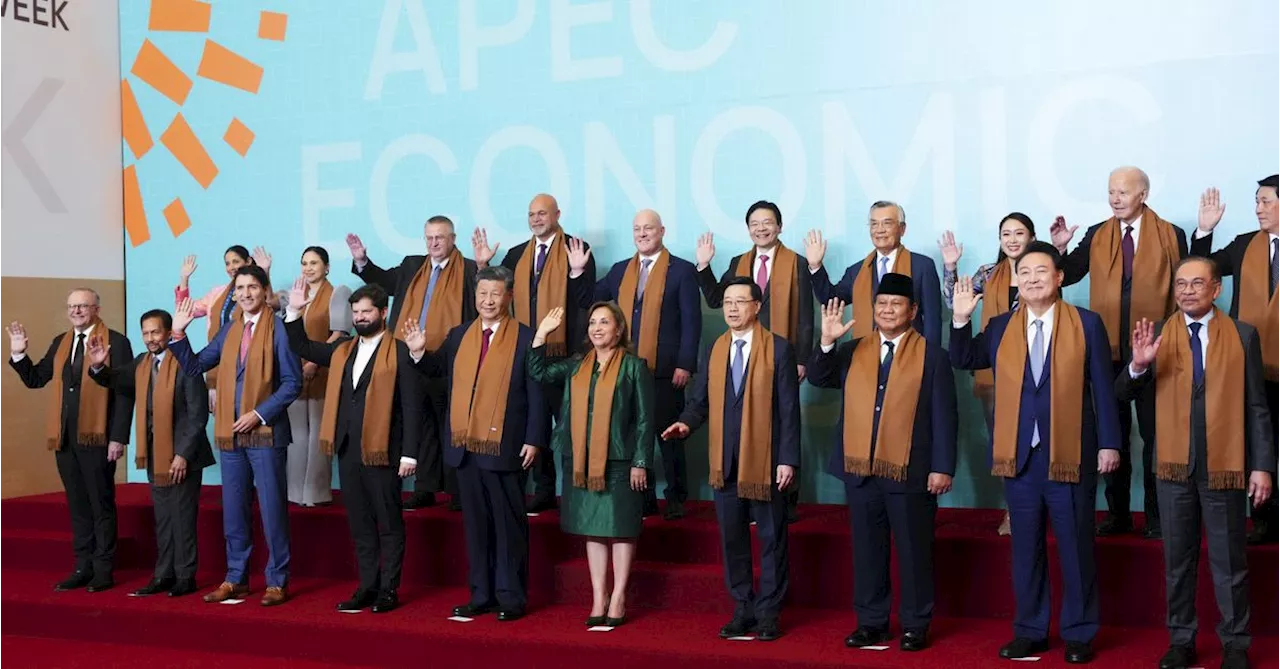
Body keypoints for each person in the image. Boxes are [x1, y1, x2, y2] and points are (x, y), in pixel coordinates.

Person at [950, 241, 1122, 664]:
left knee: (1076, 547)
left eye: (1040, 271)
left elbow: (1103, 386)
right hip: (1019, 456)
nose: (1031, 279)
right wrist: (958, 320)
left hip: (1070, 453)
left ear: (1059, 277)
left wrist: (1110, 442)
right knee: (1025, 548)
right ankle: (1030, 630)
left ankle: (1080, 632)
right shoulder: (999, 327)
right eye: (1023, 273)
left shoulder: (1087, 324)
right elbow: (963, 357)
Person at [1117, 258, 1273, 669]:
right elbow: (1122, 393)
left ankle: (1235, 644)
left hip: (1225, 466)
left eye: (1197, 283)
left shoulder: (1243, 336)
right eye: (1181, 284)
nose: (1187, 291)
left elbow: (1257, 406)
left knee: (1229, 563)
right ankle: (1181, 640)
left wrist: (1262, 466)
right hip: (1172, 469)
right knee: (1177, 562)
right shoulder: (1157, 336)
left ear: (1217, 289)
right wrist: (1138, 365)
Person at [807, 274, 957, 652]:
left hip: (911, 469)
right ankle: (872, 622)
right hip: (860, 470)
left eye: (896, 304)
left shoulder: (932, 355)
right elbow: (820, 378)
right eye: (881, 303)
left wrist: (943, 466)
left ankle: (915, 624)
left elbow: (944, 414)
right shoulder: (854, 349)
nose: (888, 310)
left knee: (913, 550)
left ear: (914, 311)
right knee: (868, 550)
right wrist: (827, 341)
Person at [1049, 167, 1189, 538]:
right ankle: (1117, 514)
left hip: (1156, 349)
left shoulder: (1171, 234)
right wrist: (1060, 249)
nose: (1114, 198)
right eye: (1110, 192)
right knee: (1114, 433)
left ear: (1143, 194)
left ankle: (1157, 518)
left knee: (1157, 437)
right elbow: (1069, 274)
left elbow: (1187, 284)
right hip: (1107, 351)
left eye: (1122, 192)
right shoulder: (1098, 234)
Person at [662, 276, 801, 642]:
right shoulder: (716, 348)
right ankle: (744, 608)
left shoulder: (779, 349)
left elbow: (789, 410)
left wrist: (787, 459)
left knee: (772, 540)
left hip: (766, 462)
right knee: (733, 541)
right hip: (725, 462)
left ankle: (769, 612)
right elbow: (700, 402)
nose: (733, 308)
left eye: (741, 301)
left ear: (757, 306)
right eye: (727, 302)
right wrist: (685, 424)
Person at [406, 265, 546, 622]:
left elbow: (537, 392)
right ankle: (481, 595)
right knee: (476, 527)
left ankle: (511, 597)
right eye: (482, 294)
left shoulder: (526, 338)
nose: (488, 301)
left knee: (508, 526)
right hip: (465, 449)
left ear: (509, 297)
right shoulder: (459, 335)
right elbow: (438, 371)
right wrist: (420, 353)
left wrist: (533, 438)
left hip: (507, 445)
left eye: (495, 294)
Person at [283, 281, 422, 614]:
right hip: (348, 450)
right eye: (356, 312)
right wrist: (293, 312)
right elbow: (302, 345)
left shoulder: (400, 351)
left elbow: (414, 406)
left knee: (388, 523)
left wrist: (410, 452)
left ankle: (389, 589)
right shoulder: (342, 349)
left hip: (384, 451)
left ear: (383, 313)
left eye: (366, 312)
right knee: (359, 523)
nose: (360, 317)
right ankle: (368, 585)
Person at [169, 264, 303, 606]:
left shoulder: (280, 329)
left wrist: (258, 414)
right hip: (231, 435)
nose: (245, 293)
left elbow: (293, 383)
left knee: (272, 510)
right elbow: (197, 366)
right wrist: (180, 335)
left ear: (264, 289)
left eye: (252, 287)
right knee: (234, 510)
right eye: (240, 288)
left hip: (266, 434)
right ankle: (236, 578)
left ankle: (277, 580)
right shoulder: (230, 330)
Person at [529, 303, 654, 627]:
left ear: (619, 329)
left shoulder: (633, 366)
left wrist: (640, 462)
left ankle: (619, 596)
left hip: (619, 462)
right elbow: (538, 373)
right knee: (593, 531)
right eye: (592, 322)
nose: (597, 328)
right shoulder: (576, 365)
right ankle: (599, 596)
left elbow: (644, 420)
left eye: (605, 322)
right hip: (581, 462)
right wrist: (542, 334)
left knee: (621, 530)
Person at [472, 194, 595, 513]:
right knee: (533, 423)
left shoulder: (576, 248)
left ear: (557, 214)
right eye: (531, 214)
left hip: (563, 355)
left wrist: (578, 273)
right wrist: (484, 266)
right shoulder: (516, 254)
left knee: (566, 426)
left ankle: (571, 491)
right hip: (524, 352)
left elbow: (587, 303)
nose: (537, 219)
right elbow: (495, 295)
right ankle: (542, 489)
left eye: (542, 213)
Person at [7, 289, 133, 593]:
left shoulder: (116, 341)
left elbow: (125, 392)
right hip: (65, 438)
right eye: (72, 306)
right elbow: (36, 379)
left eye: (83, 305)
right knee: (77, 504)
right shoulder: (61, 343)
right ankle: (82, 566)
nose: (76, 311)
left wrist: (118, 437)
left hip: (98, 436)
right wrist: (19, 354)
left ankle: (103, 569)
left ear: (97, 309)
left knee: (100, 503)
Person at [349, 216, 478, 511]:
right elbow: (383, 282)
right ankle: (425, 487)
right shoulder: (412, 266)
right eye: (429, 238)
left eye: (440, 238)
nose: (433, 243)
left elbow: (485, 297)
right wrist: (362, 261)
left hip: (450, 359)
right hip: (410, 358)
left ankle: (458, 490)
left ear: (453, 239)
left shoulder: (469, 269)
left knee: (453, 424)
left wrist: (483, 267)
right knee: (420, 424)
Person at [695, 201, 812, 521]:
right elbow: (717, 299)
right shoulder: (738, 262)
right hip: (743, 354)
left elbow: (804, 313)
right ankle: (746, 497)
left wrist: (802, 357)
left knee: (783, 421)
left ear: (780, 226)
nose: (761, 228)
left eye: (768, 222)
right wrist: (704, 268)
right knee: (743, 424)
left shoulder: (797, 263)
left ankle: (783, 501)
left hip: (780, 356)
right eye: (755, 224)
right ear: (748, 229)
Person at [85, 309, 213, 598]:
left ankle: (185, 576)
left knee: (182, 516)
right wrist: (98, 369)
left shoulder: (186, 362)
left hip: (183, 454)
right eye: (145, 333)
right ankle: (163, 574)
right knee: (164, 517)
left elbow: (197, 415)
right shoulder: (142, 364)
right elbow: (117, 380)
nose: (150, 338)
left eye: (156, 332)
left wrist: (183, 454)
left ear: (169, 333)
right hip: (156, 452)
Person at [591, 209, 701, 520]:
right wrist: (576, 272)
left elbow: (692, 323)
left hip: (666, 371)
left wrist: (685, 364)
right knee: (634, 437)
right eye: (637, 229)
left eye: (648, 229)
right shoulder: (619, 270)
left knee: (668, 437)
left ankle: (677, 498)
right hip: (625, 370)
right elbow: (591, 297)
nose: (642, 234)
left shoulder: (681, 270)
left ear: (662, 231)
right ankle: (645, 498)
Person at [1189, 176, 1280, 544]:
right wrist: (1204, 231)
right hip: (1253, 366)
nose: (1258, 208)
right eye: (1256, 202)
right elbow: (1203, 266)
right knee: (1259, 444)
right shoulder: (1245, 245)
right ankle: (1264, 520)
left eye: (1265, 201)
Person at [938, 213, 1039, 536]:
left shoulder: (1041, 274)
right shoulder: (988, 273)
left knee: (1040, 444)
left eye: (1019, 233)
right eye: (1005, 234)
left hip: (1038, 373)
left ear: (1032, 238)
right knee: (1005, 446)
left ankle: (1040, 506)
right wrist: (951, 268)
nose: (1011, 239)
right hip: (994, 377)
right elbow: (956, 302)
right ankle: (1014, 510)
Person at [805, 200, 943, 346]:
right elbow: (831, 300)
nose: (880, 230)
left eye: (887, 223)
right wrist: (816, 266)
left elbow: (932, 319)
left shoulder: (922, 266)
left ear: (902, 229)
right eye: (874, 224)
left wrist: (929, 359)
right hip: (865, 353)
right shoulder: (857, 271)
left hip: (911, 353)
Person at [279, 246, 352, 507]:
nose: (308, 268)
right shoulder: (295, 295)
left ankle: (317, 493)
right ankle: (295, 493)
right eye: (304, 263)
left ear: (327, 267)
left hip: (324, 371)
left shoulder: (338, 294)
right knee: (297, 435)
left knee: (319, 433)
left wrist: (313, 363)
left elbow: (339, 333)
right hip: (295, 374)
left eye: (314, 263)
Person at [174, 245, 272, 408]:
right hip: (218, 366)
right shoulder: (217, 293)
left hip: (250, 365)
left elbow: (269, 304)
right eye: (227, 263)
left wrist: (264, 272)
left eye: (236, 261)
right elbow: (185, 310)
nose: (231, 267)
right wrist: (184, 279)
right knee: (225, 423)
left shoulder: (254, 295)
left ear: (248, 261)